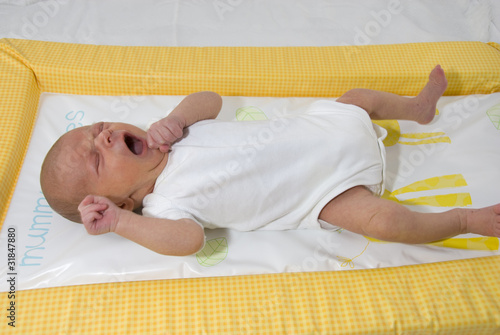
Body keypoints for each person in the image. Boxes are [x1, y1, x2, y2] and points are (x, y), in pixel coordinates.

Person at [40, 65, 500, 256]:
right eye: (97, 157)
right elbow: (188, 242)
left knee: (357, 98)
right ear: (120, 202)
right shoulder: (165, 206)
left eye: (94, 130)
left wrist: (176, 118)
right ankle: (463, 219)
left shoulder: (173, 136)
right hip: (324, 193)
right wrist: (122, 227)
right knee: (383, 223)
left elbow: (210, 98)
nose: (102, 136)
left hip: (325, 128)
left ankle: (416, 108)